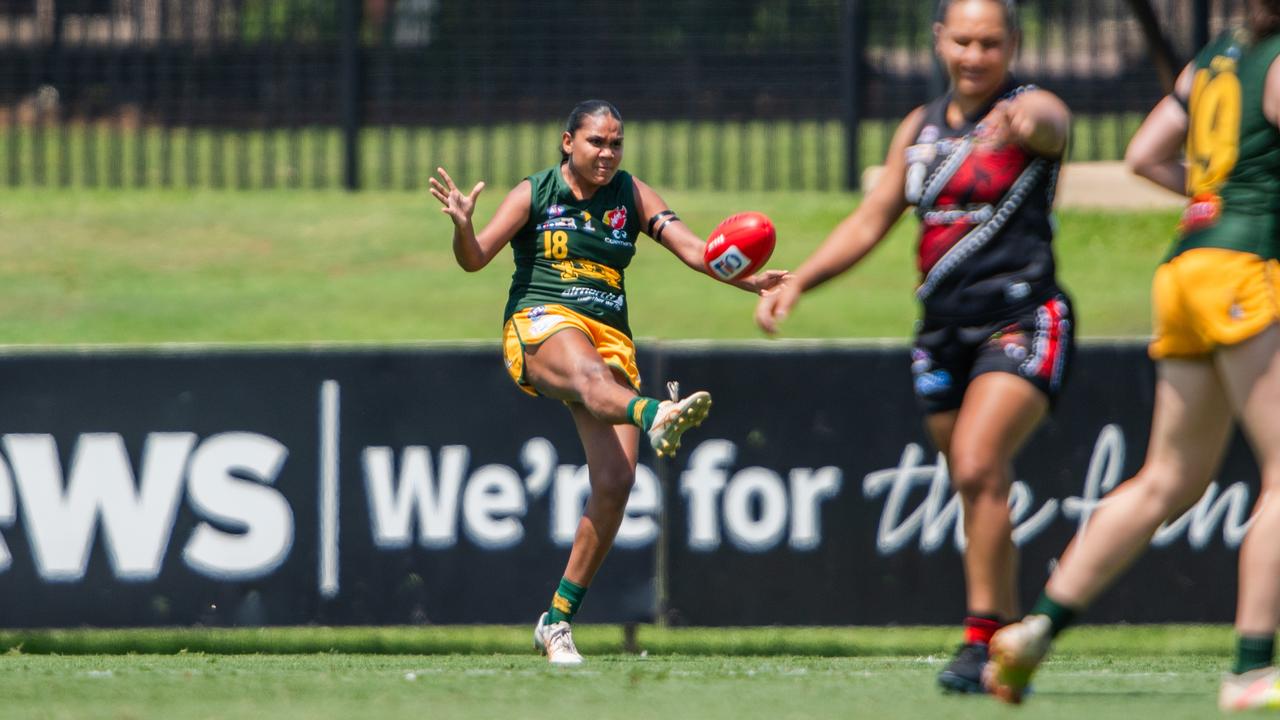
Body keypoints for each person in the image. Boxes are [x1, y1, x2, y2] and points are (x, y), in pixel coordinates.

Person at [755, 0, 1071, 694]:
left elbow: (1054, 123)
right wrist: (799, 280)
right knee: (971, 480)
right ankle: (1009, 637)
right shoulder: (920, 129)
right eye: (962, 41)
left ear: (1012, 43)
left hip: (1022, 317)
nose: (975, 55)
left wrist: (1032, 121)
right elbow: (873, 218)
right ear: (939, 41)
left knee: (980, 460)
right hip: (941, 331)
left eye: (991, 42)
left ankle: (980, 639)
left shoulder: (1031, 107)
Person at [986, 1, 1280, 710]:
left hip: (1186, 266)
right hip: (1247, 270)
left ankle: (1034, 632)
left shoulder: (1215, 55)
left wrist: (1214, 198)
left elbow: (1145, 154)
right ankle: (1249, 671)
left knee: (1168, 479)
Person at [430, 99, 786, 666]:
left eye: (616, 143)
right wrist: (463, 225)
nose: (608, 153)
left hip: (609, 335)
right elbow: (473, 259)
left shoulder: (632, 195)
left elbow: (697, 249)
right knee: (594, 379)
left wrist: (744, 277)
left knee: (617, 482)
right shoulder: (535, 192)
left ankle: (556, 621)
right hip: (542, 321)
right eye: (597, 142)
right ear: (568, 142)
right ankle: (655, 414)